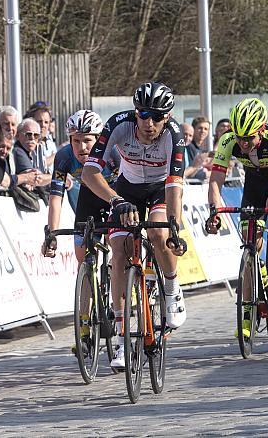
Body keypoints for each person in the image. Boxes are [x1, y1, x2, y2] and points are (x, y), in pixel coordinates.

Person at [82, 81, 188, 369]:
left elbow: (175, 186)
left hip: (160, 189)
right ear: (135, 112)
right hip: (126, 190)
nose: (149, 122)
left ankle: (170, 287)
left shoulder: (174, 136)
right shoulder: (119, 124)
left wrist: (174, 228)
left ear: (167, 117)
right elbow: (89, 172)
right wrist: (116, 200)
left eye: (156, 116)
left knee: (157, 231)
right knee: (119, 250)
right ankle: (120, 337)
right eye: (143, 114)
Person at [206, 97, 268, 338]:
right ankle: (247, 317)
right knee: (249, 248)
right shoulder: (228, 140)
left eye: (249, 138)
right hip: (253, 185)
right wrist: (213, 211)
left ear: (262, 130)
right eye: (239, 137)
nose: (243, 143)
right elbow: (215, 181)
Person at [42, 109, 119, 265]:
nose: (81, 147)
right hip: (88, 197)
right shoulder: (64, 156)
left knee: (118, 246)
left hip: (114, 194)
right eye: (76, 141)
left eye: (87, 140)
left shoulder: (113, 152)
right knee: (82, 257)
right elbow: (56, 198)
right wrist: (51, 234)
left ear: (98, 139)